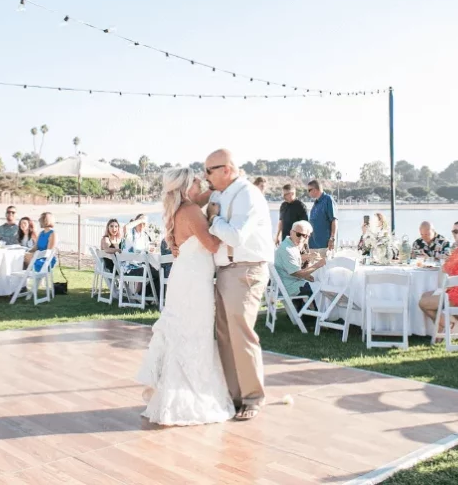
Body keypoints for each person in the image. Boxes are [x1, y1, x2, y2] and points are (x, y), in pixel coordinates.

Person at [135, 167, 236, 426]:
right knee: (196, 334)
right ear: (185, 187)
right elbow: (213, 245)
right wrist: (214, 218)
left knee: (181, 333)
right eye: (196, 182)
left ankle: (173, 396)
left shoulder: (180, 209)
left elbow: (200, 199)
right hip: (195, 282)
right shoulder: (191, 211)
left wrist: (213, 190)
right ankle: (191, 398)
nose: (200, 185)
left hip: (183, 278)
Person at [195, 148, 274, 421]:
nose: (205, 176)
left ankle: (253, 397)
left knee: (241, 333)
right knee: (225, 336)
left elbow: (237, 236)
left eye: (209, 170)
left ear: (226, 169)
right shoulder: (219, 193)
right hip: (225, 270)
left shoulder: (248, 195)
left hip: (245, 270)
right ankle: (234, 395)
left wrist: (214, 219)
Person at [274, 220, 324, 299]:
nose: (301, 238)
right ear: (291, 232)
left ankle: (310, 309)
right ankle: (324, 310)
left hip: (288, 283)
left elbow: (292, 260)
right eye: (298, 234)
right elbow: (298, 274)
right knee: (324, 289)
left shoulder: (289, 245)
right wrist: (318, 265)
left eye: (305, 236)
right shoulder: (287, 249)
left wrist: (306, 275)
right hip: (292, 287)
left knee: (320, 284)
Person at [306, 179, 337, 254]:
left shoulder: (328, 199)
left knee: (325, 266)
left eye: (309, 190)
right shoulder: (316, 203)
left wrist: (332, 238)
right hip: (313, 245)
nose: (308, 192)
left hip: (324, 246)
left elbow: (334, 220)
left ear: (316, 189)